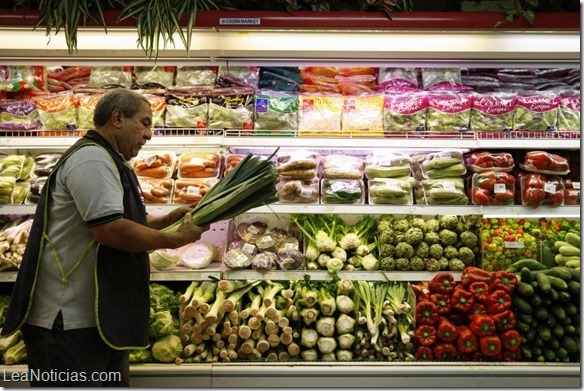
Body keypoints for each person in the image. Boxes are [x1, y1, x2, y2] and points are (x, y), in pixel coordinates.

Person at [1, 88, 208, 387]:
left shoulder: (110, 159)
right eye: (145, 122)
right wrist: (176, 239)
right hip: (68, 325)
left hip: (98, 322)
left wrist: (167, 220)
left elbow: (123, 219)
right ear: (117, 118)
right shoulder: (92, 160)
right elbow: (110, 229)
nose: (150, 134)